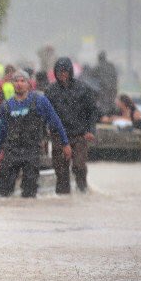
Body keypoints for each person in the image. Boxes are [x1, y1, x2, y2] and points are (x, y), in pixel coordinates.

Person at [0, 70, 71, 198]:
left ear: (29, 83)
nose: (19, 84)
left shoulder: (40, 101)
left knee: (29, 192)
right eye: (16, 81)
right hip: (11, 151)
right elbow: (2, 130)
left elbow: (55, 121)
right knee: (3, 192)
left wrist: (65, 143)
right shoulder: (6, 106)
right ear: (12, 84)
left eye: (22, 81)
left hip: (32, 151)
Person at [45, 57, 99, 193]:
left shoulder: (83, 89)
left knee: (79, 166)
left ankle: (82, 191)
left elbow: (92, 111)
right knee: (61, 170)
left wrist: (90, 130)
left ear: (70, 72)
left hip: (79, 135)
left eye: (65, 71)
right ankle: (63, 200)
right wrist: (44, 133)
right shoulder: (50, 91)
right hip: (58, 136)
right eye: (59, 71)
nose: (62, 74)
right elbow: (44, 114)